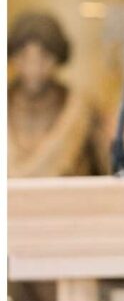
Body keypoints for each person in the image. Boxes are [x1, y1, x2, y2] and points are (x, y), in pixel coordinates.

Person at [7, 10, 109, 180]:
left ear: (58, 57)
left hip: (70, 204)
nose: (33, 68)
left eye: (44, 57)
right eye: (24, 56)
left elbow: (117, 176)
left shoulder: (83, 111)